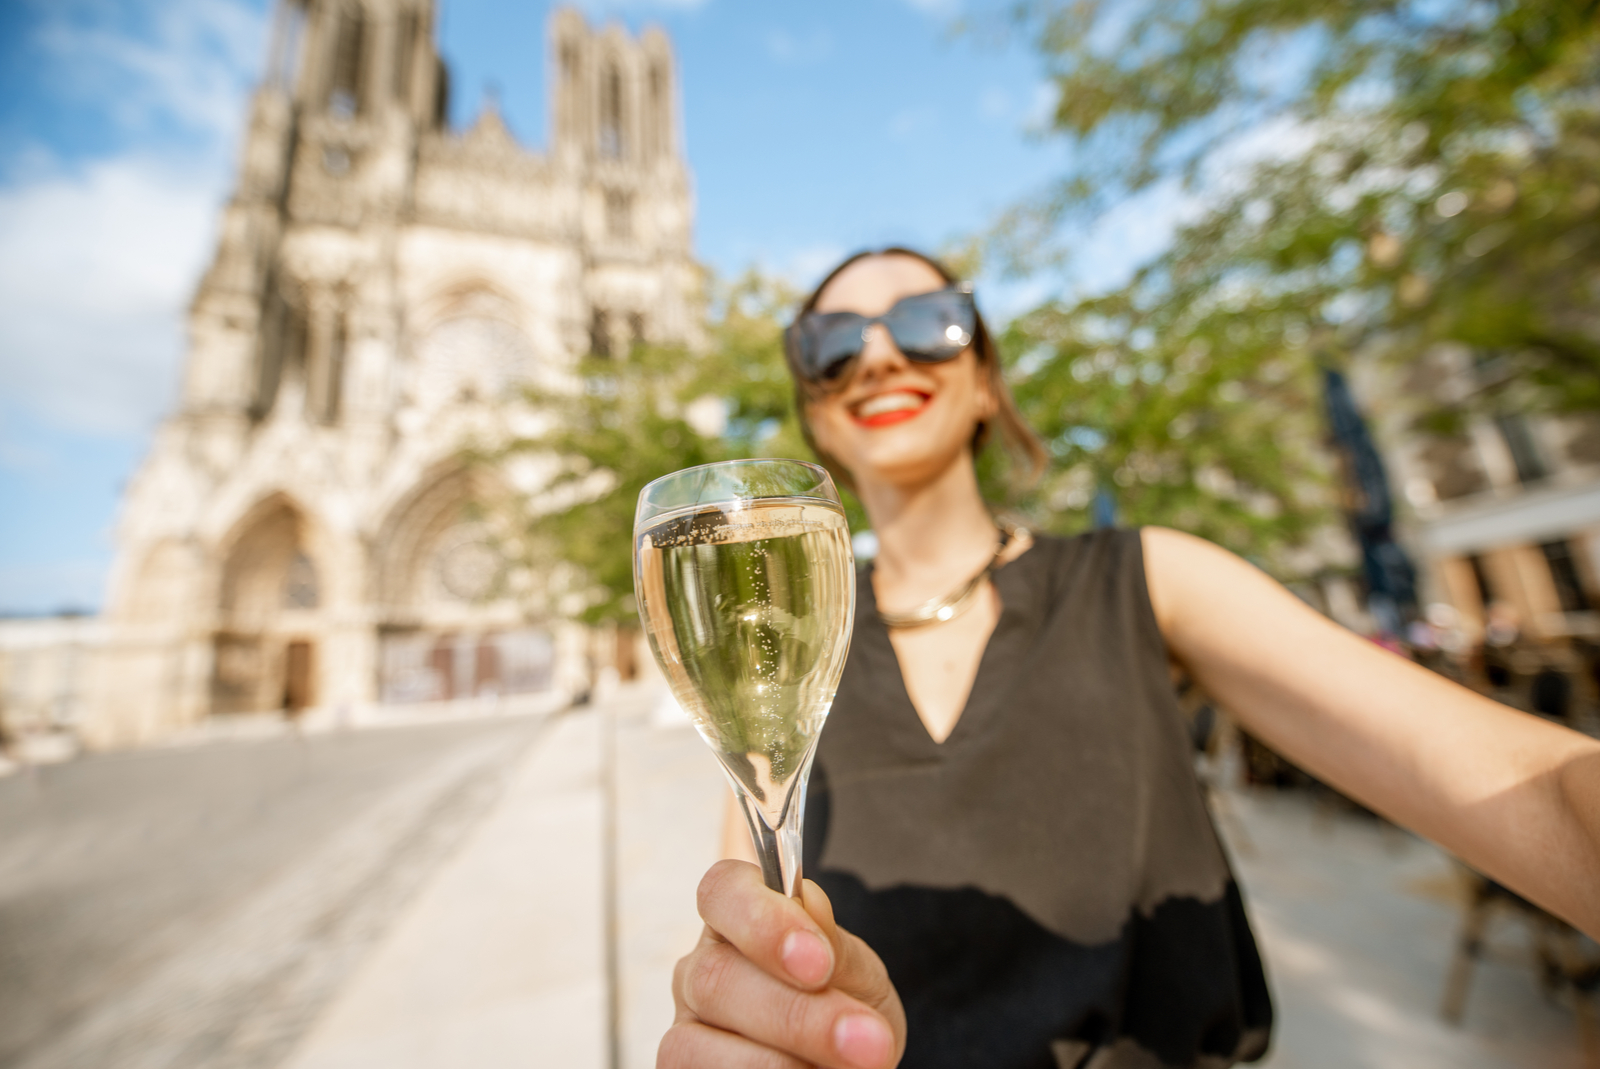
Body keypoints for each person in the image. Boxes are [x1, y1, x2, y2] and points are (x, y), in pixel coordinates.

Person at [656, 249, 1600, 1069]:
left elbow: (1536, 786)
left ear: (986, 379)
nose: (880, 352)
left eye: (927, 322)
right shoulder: (782, 680)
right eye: (831, 341)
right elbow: (757, 945)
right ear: (817, 413)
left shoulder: (1148, 578)